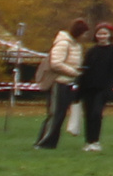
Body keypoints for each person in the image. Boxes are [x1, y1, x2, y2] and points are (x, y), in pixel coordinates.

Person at [34, 19, 89, 149]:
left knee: (60, 114)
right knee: (55, 113)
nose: (85, 36)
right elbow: (56, 63)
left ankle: (51, 142)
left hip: (67, 83)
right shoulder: (63, 43)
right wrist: (73, 72)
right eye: (84, 33)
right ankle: (44, 142)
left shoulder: (77, 45)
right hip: (58, 82)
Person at [78, 22, 113, 152]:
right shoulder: (91, 51)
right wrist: (80, 89)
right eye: (99, 34)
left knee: (97, 113)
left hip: (103, 88)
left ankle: (96, 141)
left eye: (104, 34)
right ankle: (88, 141)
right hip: (88, 88)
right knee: (89, 114)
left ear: (109, 35)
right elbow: (85, 70)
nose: (102, 36)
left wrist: (109, 88)